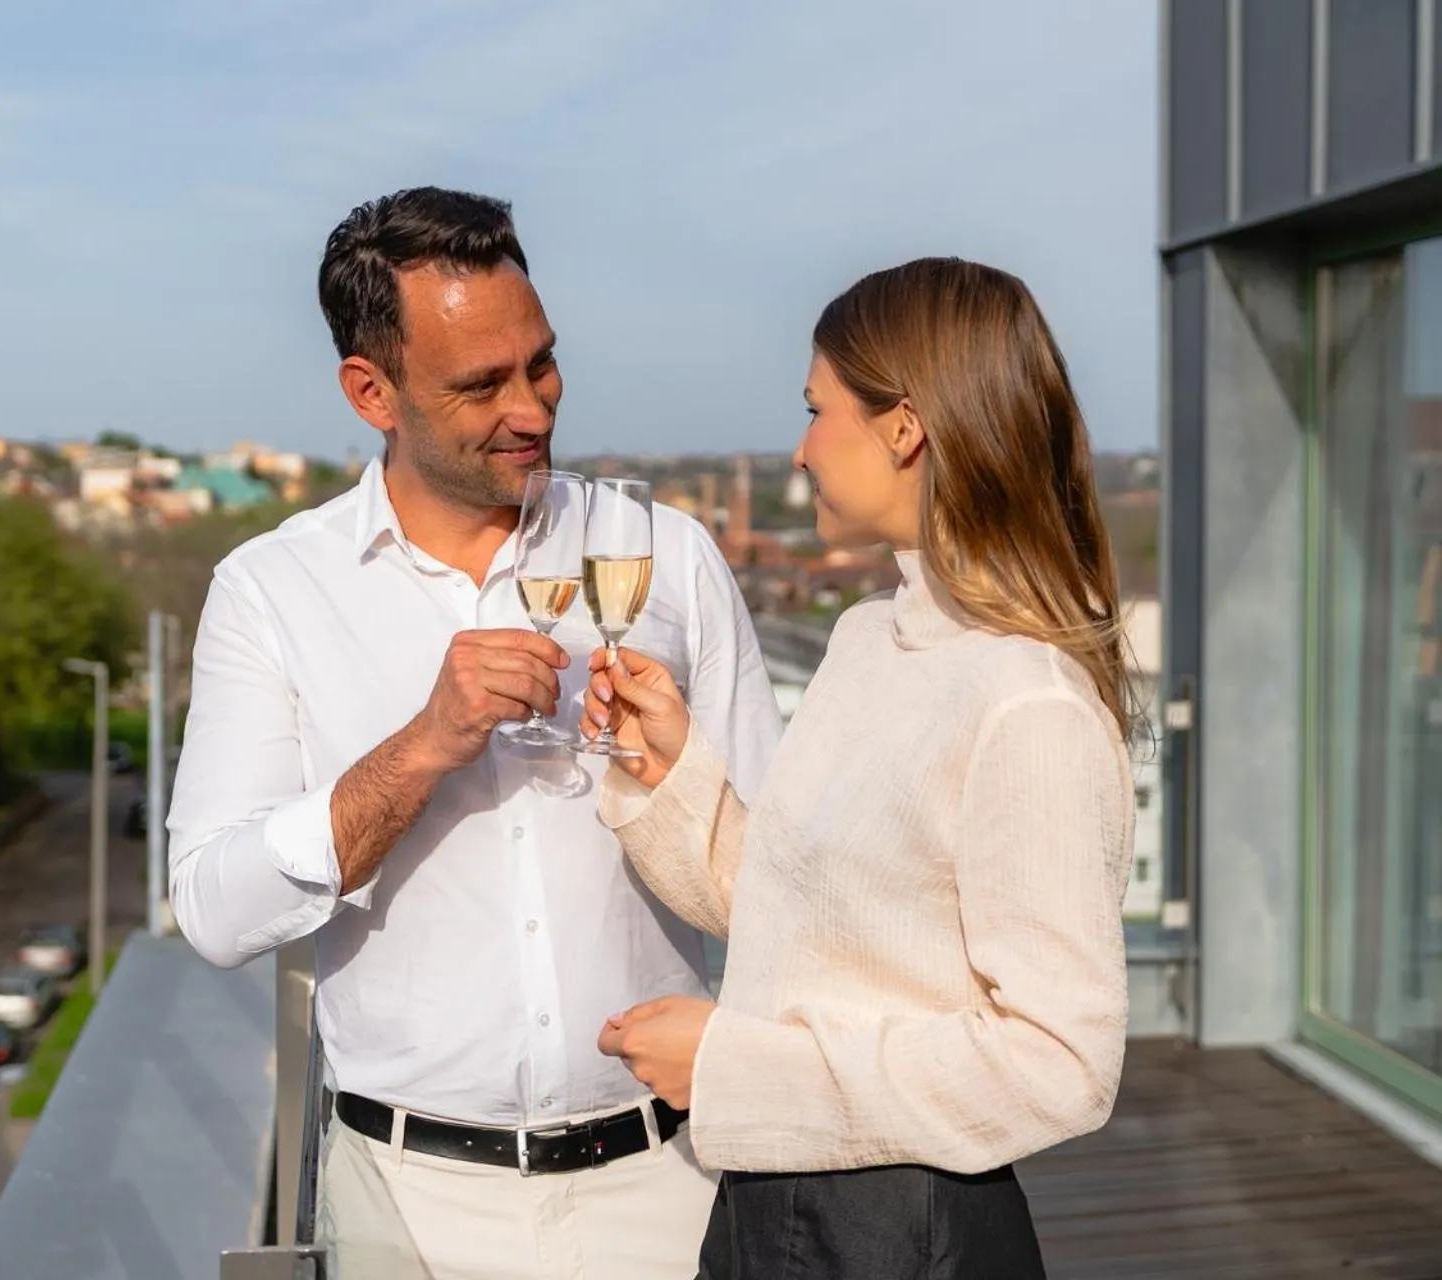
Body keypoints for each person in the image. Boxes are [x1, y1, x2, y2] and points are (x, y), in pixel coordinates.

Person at [167, 186, 784, 1280]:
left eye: (542, 365)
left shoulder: (664, 554)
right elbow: (214, 910)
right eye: (481, 384)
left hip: (672, 1184)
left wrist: (678, 778)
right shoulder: (271, 590)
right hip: (406, 1205)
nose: (532, 409)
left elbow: (788, 876)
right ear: (372, 391)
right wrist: (420, 748)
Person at [586, 257, 1135, 1279]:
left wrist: (734, 1065)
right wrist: (669, 772)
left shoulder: (1028, 702)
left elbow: (1060, 1062)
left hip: (905, 1228)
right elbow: (808, 922)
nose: (799, 450)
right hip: (770, 1199)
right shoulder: (867, 638)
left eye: (816, 409)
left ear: (904, 427)